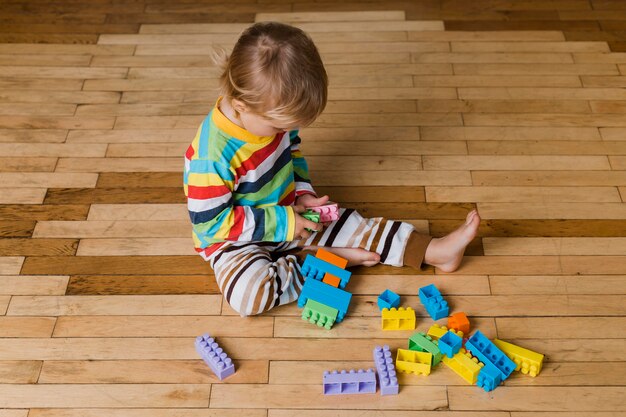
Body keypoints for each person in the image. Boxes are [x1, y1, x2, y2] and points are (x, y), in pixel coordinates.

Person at [183, 21, 480, 317]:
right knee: (249, 296)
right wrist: (285, 222)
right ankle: (326, 260)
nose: (283, 133)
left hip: (290, 212)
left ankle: (435, 251)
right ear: (241, 105)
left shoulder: (271, 118)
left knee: (353, 226)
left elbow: (292, 154)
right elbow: (210, 224)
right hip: (236, 240)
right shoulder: (212, 158)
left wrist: (302, 192)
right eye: (278, 126)